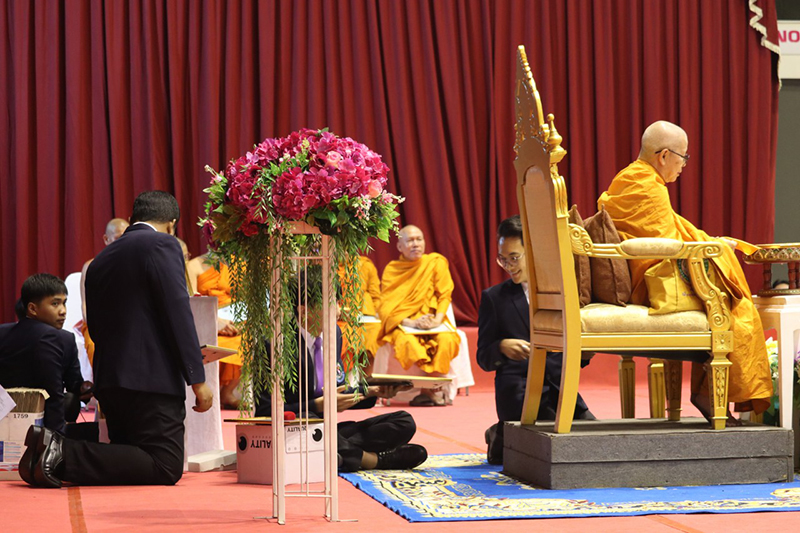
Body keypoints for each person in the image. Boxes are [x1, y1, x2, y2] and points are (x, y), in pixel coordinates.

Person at [18, 191, 213, 488]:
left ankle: (58, 442)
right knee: (166, 464)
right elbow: (178, 314)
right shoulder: (163, 244)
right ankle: (61, 450)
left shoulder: (99, 260)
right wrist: (197, 380)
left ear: (133, 219)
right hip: (151, 380)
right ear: (172, 224)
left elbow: (94, 327)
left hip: (111, 378)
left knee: (131, 451)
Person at [597, 120, 772, 424]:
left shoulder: (631, 178)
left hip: (643, 272)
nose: (684, 165)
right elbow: (667, 249)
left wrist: (709, 241)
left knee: (727, 294)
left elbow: (670, 234)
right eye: (683, 157)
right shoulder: (646, 186)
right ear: (664, 155)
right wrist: (712, 248)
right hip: (649, 284)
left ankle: (708, 393)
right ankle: (708, 394)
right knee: (734, 307)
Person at [255, 270, 427, 472]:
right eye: (331, 304)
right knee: (310, 419)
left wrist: (372, 392)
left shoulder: (334, 334)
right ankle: (372, 460)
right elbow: (264, 411)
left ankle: (336, 454)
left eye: (338, 302)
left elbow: (338, 391)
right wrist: (318, 405)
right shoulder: (274, 344)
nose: (338, 311)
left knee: (404, 421)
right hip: (292, 431)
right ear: (303, 310)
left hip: (324, 431)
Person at [477, 216, 593, 464]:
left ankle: (501, 433)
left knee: (593, 445)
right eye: (502, 259)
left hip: (561, 391)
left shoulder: (562, 292)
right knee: (539, 457)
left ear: (532, 251)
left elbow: (573, 353)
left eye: (514, 258)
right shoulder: (494, 298)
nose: (508, 266)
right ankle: (500, 434)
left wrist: (585, 352)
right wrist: (501, 347)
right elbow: (483, 357)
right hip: (519, 393)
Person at [0, 274, 92, 436]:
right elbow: (54, 392)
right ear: (32, 309)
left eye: (64, 303)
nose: (63, 311)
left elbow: (72, 386)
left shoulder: (3, 332)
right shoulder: (59, 338)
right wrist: (57, 440)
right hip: (40, 422)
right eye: (55, 303)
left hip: (4, 414)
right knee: (69, 401)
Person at [378, 225, 460, 406]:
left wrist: (436, 320)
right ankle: (427, 391)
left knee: (447, 341)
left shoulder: (435, 262)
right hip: (404, 324)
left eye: (419, 239)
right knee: (409, 345)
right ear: (400, 247)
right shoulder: (393, 269)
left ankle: (428, 391)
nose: (415, 244)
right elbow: (385, 306)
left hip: (432, 321)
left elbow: (444, 295)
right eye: (410, 240)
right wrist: (412, 323)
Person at [186, 253, 243, 408]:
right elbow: (193, 302)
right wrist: (216, 322)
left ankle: (227, 392)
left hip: (234, 321)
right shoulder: (194, 265)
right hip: (207, 321)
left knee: (244, 341)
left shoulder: (239, 264)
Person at [78, 218, 129, 364]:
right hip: (99, 324)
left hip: (128, 323)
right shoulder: (91, 266)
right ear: (106, 239)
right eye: (118, 238)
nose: (123, 243)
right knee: (96, 347)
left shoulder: (135, 264)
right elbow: (85, 306)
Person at [337, 255, 382, 370]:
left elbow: (375, 296)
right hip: (339, 317)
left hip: (363, 317)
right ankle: (343, 375)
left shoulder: (365, 265)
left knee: (374, 331)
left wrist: (378, 312)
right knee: (347, 334)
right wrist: (339, 312)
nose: (345, 252)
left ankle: (367, 376)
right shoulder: (327, 266)